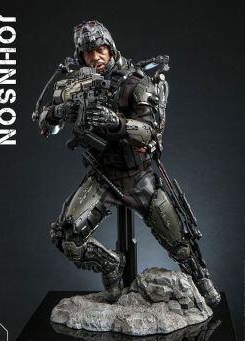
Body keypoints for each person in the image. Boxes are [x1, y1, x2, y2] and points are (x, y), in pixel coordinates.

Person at [38, 20, 220, 307]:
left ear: (110, 48)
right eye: (88, 53)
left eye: (100, 49)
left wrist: (117, 123)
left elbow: (150, 132)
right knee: (67, 238)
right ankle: (112, 265)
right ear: (80, 57)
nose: (95, 57)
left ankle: (202, 280)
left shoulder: (134, 81)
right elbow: (45, 121)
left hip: (139, 177)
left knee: (180, 244)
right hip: (103, 177)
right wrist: (59, 112)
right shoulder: (77, 85)